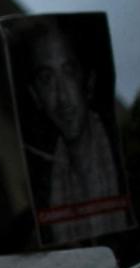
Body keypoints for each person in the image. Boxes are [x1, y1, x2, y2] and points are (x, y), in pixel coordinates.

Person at [20, 23, 131, 242]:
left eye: (69, 72)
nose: (62, 97)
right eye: (46, 79)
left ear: (88, 82)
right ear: (35, 96)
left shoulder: (128, 161)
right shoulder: (40, 203)